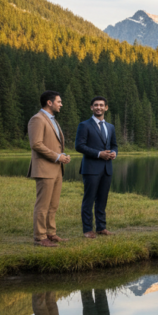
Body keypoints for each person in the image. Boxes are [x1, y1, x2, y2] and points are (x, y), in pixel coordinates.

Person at [27, 90, 71, 247]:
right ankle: (39, 237)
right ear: (49, 102)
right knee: (43, 205)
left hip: (56, 169)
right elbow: (36, 144)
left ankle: (51, 233)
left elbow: (53, 143)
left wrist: (62, 155)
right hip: (44, 169)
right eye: (59, 102)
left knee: (53, 205)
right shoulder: (37, 119)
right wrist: (57, 157)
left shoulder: (53, 120)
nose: (61, 104)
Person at [74, 96, 117, 238]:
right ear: (91, 108)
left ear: (106, 108)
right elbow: (79, 146)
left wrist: (114, 153)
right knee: (89, 199)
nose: (99, 107)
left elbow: (114, 145)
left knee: (102, 200)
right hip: (91, 168)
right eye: (96, 105)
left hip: (107, 168)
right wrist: (99, 154)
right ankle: (87, 230)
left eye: (101, 105)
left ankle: (101, 227)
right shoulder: (84, 125)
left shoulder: (110, 127)